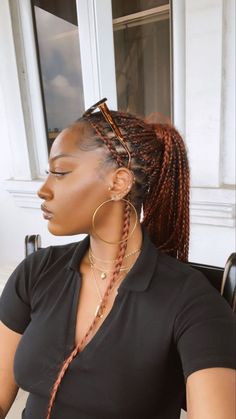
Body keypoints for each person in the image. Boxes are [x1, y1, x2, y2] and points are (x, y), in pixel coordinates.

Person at [0, 98, 235, 419]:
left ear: (119, 182)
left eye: (60, 172)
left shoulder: (192, 303)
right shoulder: (36, 272)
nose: (43, 189)